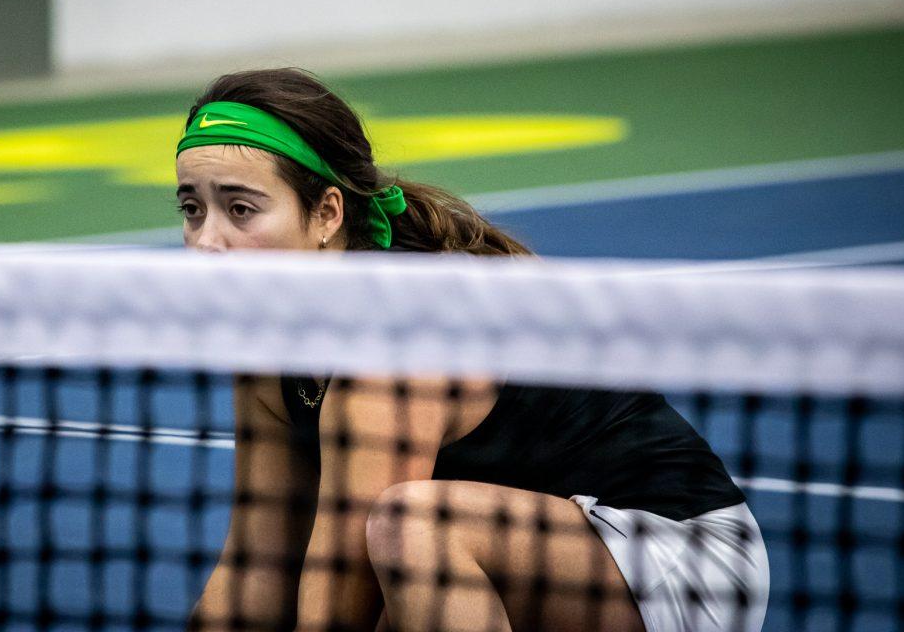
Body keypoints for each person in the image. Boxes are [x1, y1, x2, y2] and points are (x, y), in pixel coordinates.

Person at [178, 68, 769, 632]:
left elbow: (337, 603)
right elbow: (255, 565)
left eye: (241, 209)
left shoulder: (396, 338)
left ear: (327, 213)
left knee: (411, 530)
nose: (206, 242)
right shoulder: (264, 353)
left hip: (678, 558)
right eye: (192, 209)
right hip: (525, 547)